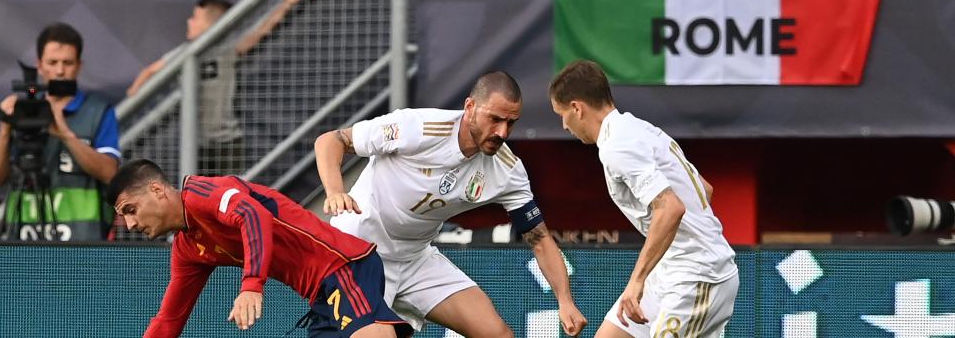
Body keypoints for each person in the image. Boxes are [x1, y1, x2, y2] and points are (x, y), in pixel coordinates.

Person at [314, 71, 588, 336]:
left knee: (495, 334)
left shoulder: (508, 170)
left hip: (414, 258)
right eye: (494, 119)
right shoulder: (418, 127)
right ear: (470, 107)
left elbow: (539, 238)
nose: (502, 132)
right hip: (360, 250)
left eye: (511, 122)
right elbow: (332, 140)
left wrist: (565, 301)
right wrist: (336, 191)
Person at [109, 159, 414, 337]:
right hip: (321, 295)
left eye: (130, 209)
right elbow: (169, 320)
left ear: (157, 190)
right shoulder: (187, 249)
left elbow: (254, 215)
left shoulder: (204, 192)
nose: (131, 224)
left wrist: (252, 286)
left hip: (343, 266)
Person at [548, 60, 738, 338]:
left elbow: (671, 208)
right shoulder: (640, 128)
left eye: (561, 114)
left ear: (577, 108)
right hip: (668, 272)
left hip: (697, 277)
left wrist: (636, 282)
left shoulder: (617, 146)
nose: (564, 125)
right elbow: (704, 189)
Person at [127, 0, 308, 175]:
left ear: (212, 25)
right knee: (201, 197)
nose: (189, 22)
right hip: (198, 142)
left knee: (232, 195)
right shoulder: (184, 54)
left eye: (195, 18)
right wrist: (134, 93)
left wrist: (288, 3)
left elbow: (263, 30)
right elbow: (150, 71)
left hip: (228, 140)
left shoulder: (227, 49)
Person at [0, 22, 121, 242]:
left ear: (79, 66)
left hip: (82, 242)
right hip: (25, 239)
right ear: (39, 66)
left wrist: (66, 135)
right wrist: (5, 128)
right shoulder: (24, 113)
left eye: (67, 63)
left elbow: (110, 173)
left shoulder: (98, 112)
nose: (60, 71)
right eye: (53, 62)